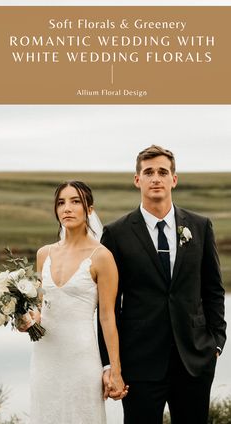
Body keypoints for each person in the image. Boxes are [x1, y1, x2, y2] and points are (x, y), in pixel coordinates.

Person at [99, 145, 226, 424]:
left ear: (174, 179)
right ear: (137, 180)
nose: (155, 178)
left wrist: (216, 342)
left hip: (193, 360)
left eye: (162, 172)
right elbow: (107, 306)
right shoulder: (116, 233)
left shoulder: (200, 226)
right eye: (148, 172)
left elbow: (214, 289)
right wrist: (112, 363)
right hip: (140, 363)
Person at [20, 180, 127, 424]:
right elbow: (40, 306)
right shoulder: (43, 253)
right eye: (61, 202)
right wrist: (27, 320)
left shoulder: (102, 257)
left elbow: (108, 317)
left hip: (82, 359)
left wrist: (115, 370)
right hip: (44, 358)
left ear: (89, 209)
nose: (67, 208)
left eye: (75, 201)